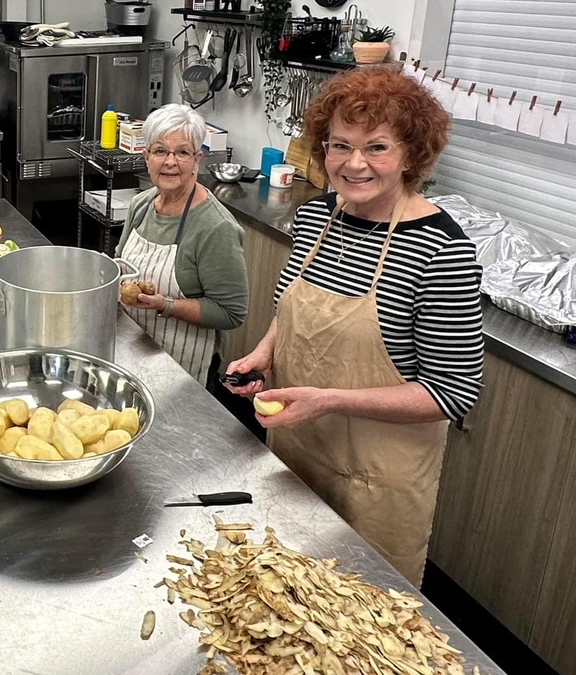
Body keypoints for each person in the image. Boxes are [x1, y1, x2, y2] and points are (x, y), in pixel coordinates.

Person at [224, 66, 483, 586]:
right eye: (340, 145)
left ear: (411, 155)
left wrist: (330, 399)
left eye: (377, 148)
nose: (355, 163)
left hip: (377, 483)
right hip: (296, 454)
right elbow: (289, 310)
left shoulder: (442, 250)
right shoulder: (317, 216)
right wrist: (264, 353)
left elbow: (453, 394)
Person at [116, 105, 248, 389]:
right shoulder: (141, 205)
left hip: (183, 369)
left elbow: (231, 312)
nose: (170, 162)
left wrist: (166, 305)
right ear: (146, 156)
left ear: (197, 159)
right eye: (160, 151)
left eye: (183, 152)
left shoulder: (216, 227)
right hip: (133, 353)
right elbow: (121, 265)